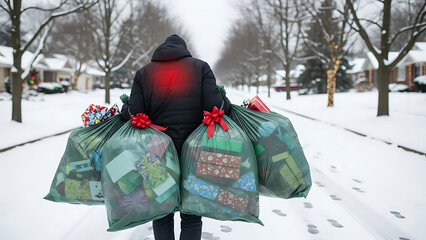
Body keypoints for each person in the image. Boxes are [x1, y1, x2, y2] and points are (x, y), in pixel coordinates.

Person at [120, 34, 231, 240]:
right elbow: (217, 107)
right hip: (195, 152)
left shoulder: (143, 73)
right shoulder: (200, 68)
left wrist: (125, 108)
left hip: (154, 153)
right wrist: (223, 97)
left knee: (161, 211)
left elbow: (134, 114)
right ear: (184, 50)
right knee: (192, 213)